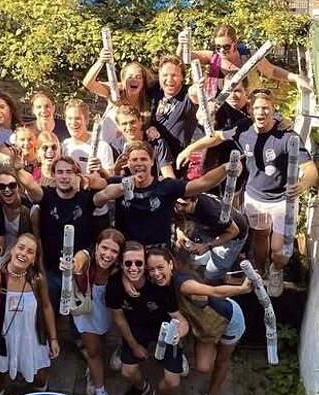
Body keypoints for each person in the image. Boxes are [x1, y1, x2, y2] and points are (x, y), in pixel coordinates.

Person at [177, 90, 317, 295]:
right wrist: (189, 149)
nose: (261, 112)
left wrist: (302, 185)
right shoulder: (243, 129)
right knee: (260, 235)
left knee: (279, 251)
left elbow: (310, 169)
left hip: (282, 201)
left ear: (273, 109)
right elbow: (216, 137)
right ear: (250, 110)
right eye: (257, 108)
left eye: (265, 108)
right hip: (255, 197)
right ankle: (260, 272)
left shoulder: (287, 136)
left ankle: (276, 269)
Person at [94, 141, 240, 247]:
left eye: (143, 159)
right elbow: (97, 193)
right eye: (134, 160)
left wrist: (225, 168)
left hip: (158, 253)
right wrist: (116, 186)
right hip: (128, 253)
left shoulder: (166, 186)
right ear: (129, 163)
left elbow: (203, 183)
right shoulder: (118, 183)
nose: (139, 163)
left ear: (152, 162)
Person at [106, 244, 189, 395]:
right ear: (121, 264)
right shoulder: (114, 285)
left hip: (163, 328)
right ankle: (141, 387)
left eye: (139, 263)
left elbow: (179, 318)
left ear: (145, 265)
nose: (133, 268)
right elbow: (119, 319)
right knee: (127, 371)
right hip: (136, 328)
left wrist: (179, 333)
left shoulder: (158, 284)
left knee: (173, 382)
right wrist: (134, 346)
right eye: (128, 263)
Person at [0, 233, 59, 395]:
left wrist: (53, 338)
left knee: (40, 377)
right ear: (12, 250)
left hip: (30, 337)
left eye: (30, 252)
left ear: (34, 259)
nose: (23, 253)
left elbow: (46, 306)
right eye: (21, 247)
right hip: (2, 338)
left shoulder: (37, 280)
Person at [172, 258, 253, 395]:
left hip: (230, 320)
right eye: (151, 270)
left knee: (221, 361)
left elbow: (215, 292)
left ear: (170, 265)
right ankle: (196, 348)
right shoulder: (160, 288)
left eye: (160, 268)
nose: (156, 273)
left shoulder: (183, 284)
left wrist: (242, 289)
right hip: (205, 329)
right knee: (203, 367)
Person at [33, 156, 108, 311]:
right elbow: (29, 184)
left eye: (69, 172)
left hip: (80, 270)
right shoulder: (46, 195)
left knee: (79, 317)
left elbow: (106, 189)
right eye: (60, 172)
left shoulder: (86, 197)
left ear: (76, 175)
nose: (64, 176)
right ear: (53, 175)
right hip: (51, 270)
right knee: (51, 309)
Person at [67, 228, 125, 395]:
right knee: (93, 351)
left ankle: (96, 365)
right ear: (97, 247)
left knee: (103, 342)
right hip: (87, 311)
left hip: (108, 311)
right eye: (104, 248)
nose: (107, 254)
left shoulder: (120, 269)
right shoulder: (87, 258)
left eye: (114, 251)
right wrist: (72, 265)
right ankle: (101, 393)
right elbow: (78, 260)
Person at [179, 24, 312, 96]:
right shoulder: (213, 57)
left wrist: (296, 77)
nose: (221, 51)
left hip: (250, 105)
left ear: (235, 42)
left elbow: (272, 71)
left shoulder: (249, 55)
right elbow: (184, 57)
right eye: (218, 46)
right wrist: (182, 43)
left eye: (226, 46)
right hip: (224, 109)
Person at [83, 49, 153, 149]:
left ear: (143, 82)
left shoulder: (148, 101)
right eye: (130, 77)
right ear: (123, 81)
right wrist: (100, 61)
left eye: (138, 77)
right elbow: (88, 84)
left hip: (130, 150)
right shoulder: (115, 92)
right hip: (105, 146)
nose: (134, 80)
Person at [174, 193, 249, 282]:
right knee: (193, 250)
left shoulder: (211, 211)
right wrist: (180, 232)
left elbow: (234, 232)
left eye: (184, 205)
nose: (179, 208)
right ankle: (206, 256)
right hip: (211, 228)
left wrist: (207, 246)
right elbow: (179, 220)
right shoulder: (181, 205)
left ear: (194, 200)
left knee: (212, 273)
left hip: (232, 236)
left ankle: (217, 276)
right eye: (177, 203)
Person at [150, 55, 198, 163]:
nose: (169, 79)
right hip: (154, 161)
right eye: (165, 75)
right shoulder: (155, 92)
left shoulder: (187, 95)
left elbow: (195, 93)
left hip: (179, 161)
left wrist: (199, 88)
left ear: (182, 77)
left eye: (174, 75)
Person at [113, 105, 174, 178]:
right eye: (124, 124)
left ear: (140, 121)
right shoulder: (116, 147)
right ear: (118, 127)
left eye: (133, 122)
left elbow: (169, 176)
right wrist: (116, 171)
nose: (129, 127)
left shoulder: (157, 143)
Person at [62, 98, 114, 177]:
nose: (73, 122)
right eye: (69, 118)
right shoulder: (64, 145)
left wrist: (101, 170)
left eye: (77, 118)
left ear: (86, 120)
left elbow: (111, 179)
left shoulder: (102, 147)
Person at [0, 168, 33, 268]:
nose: (7, 190)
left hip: (22, 259)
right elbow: (0, 244)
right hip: (0, 259)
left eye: (12, 185)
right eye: (2, 186)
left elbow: (35, 241)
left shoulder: (29, 208)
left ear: (19, 186)